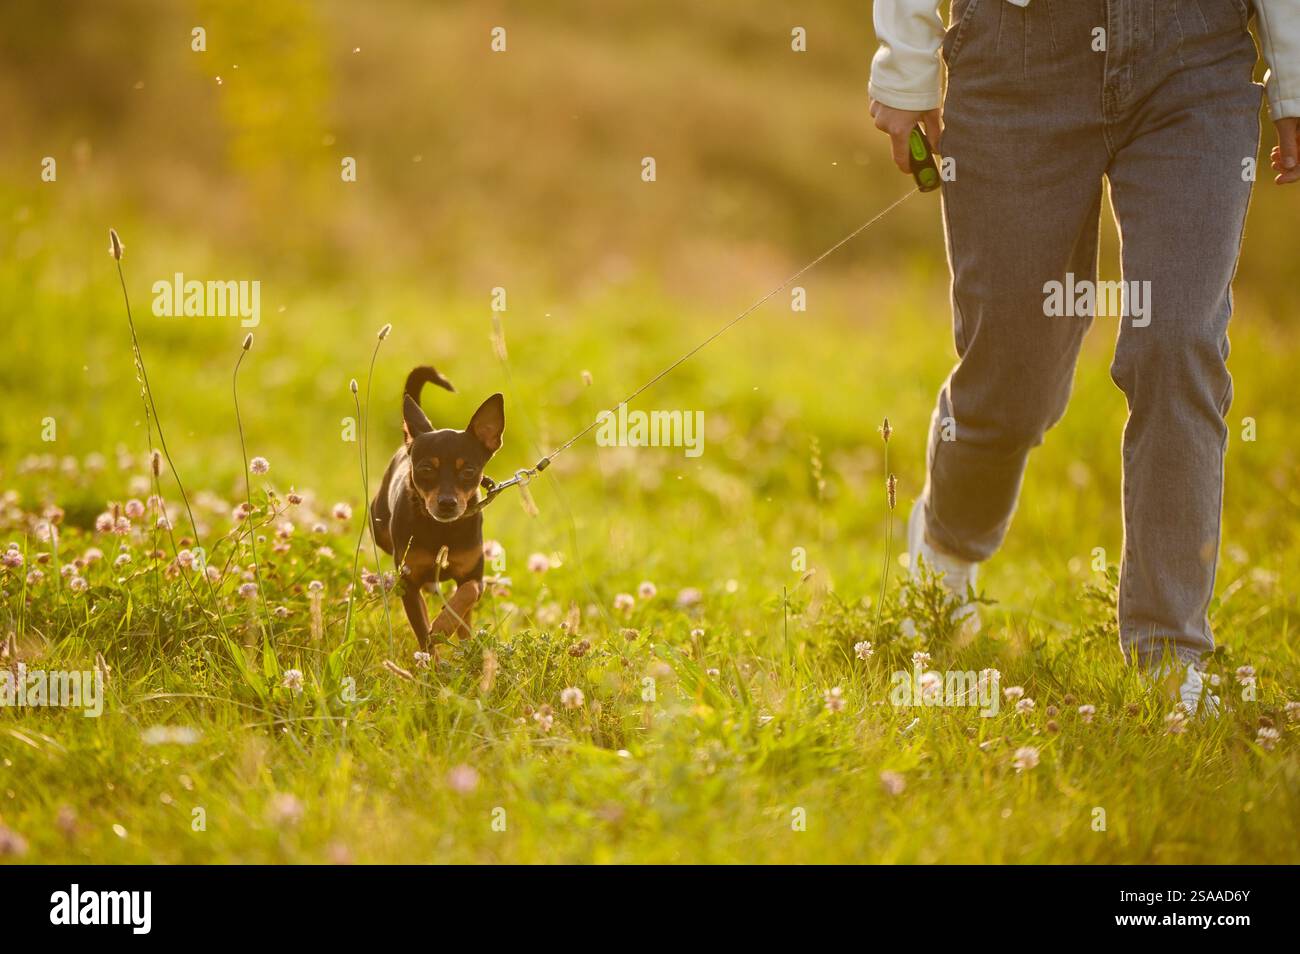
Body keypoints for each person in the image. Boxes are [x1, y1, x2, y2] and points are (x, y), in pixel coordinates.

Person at [868, 0, 1298, 715]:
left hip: (1193, 55)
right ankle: (947, 544)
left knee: (1178, 337)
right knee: (1013, 366)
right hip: (1019, 53)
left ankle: (1168, 652)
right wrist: (909, 61)